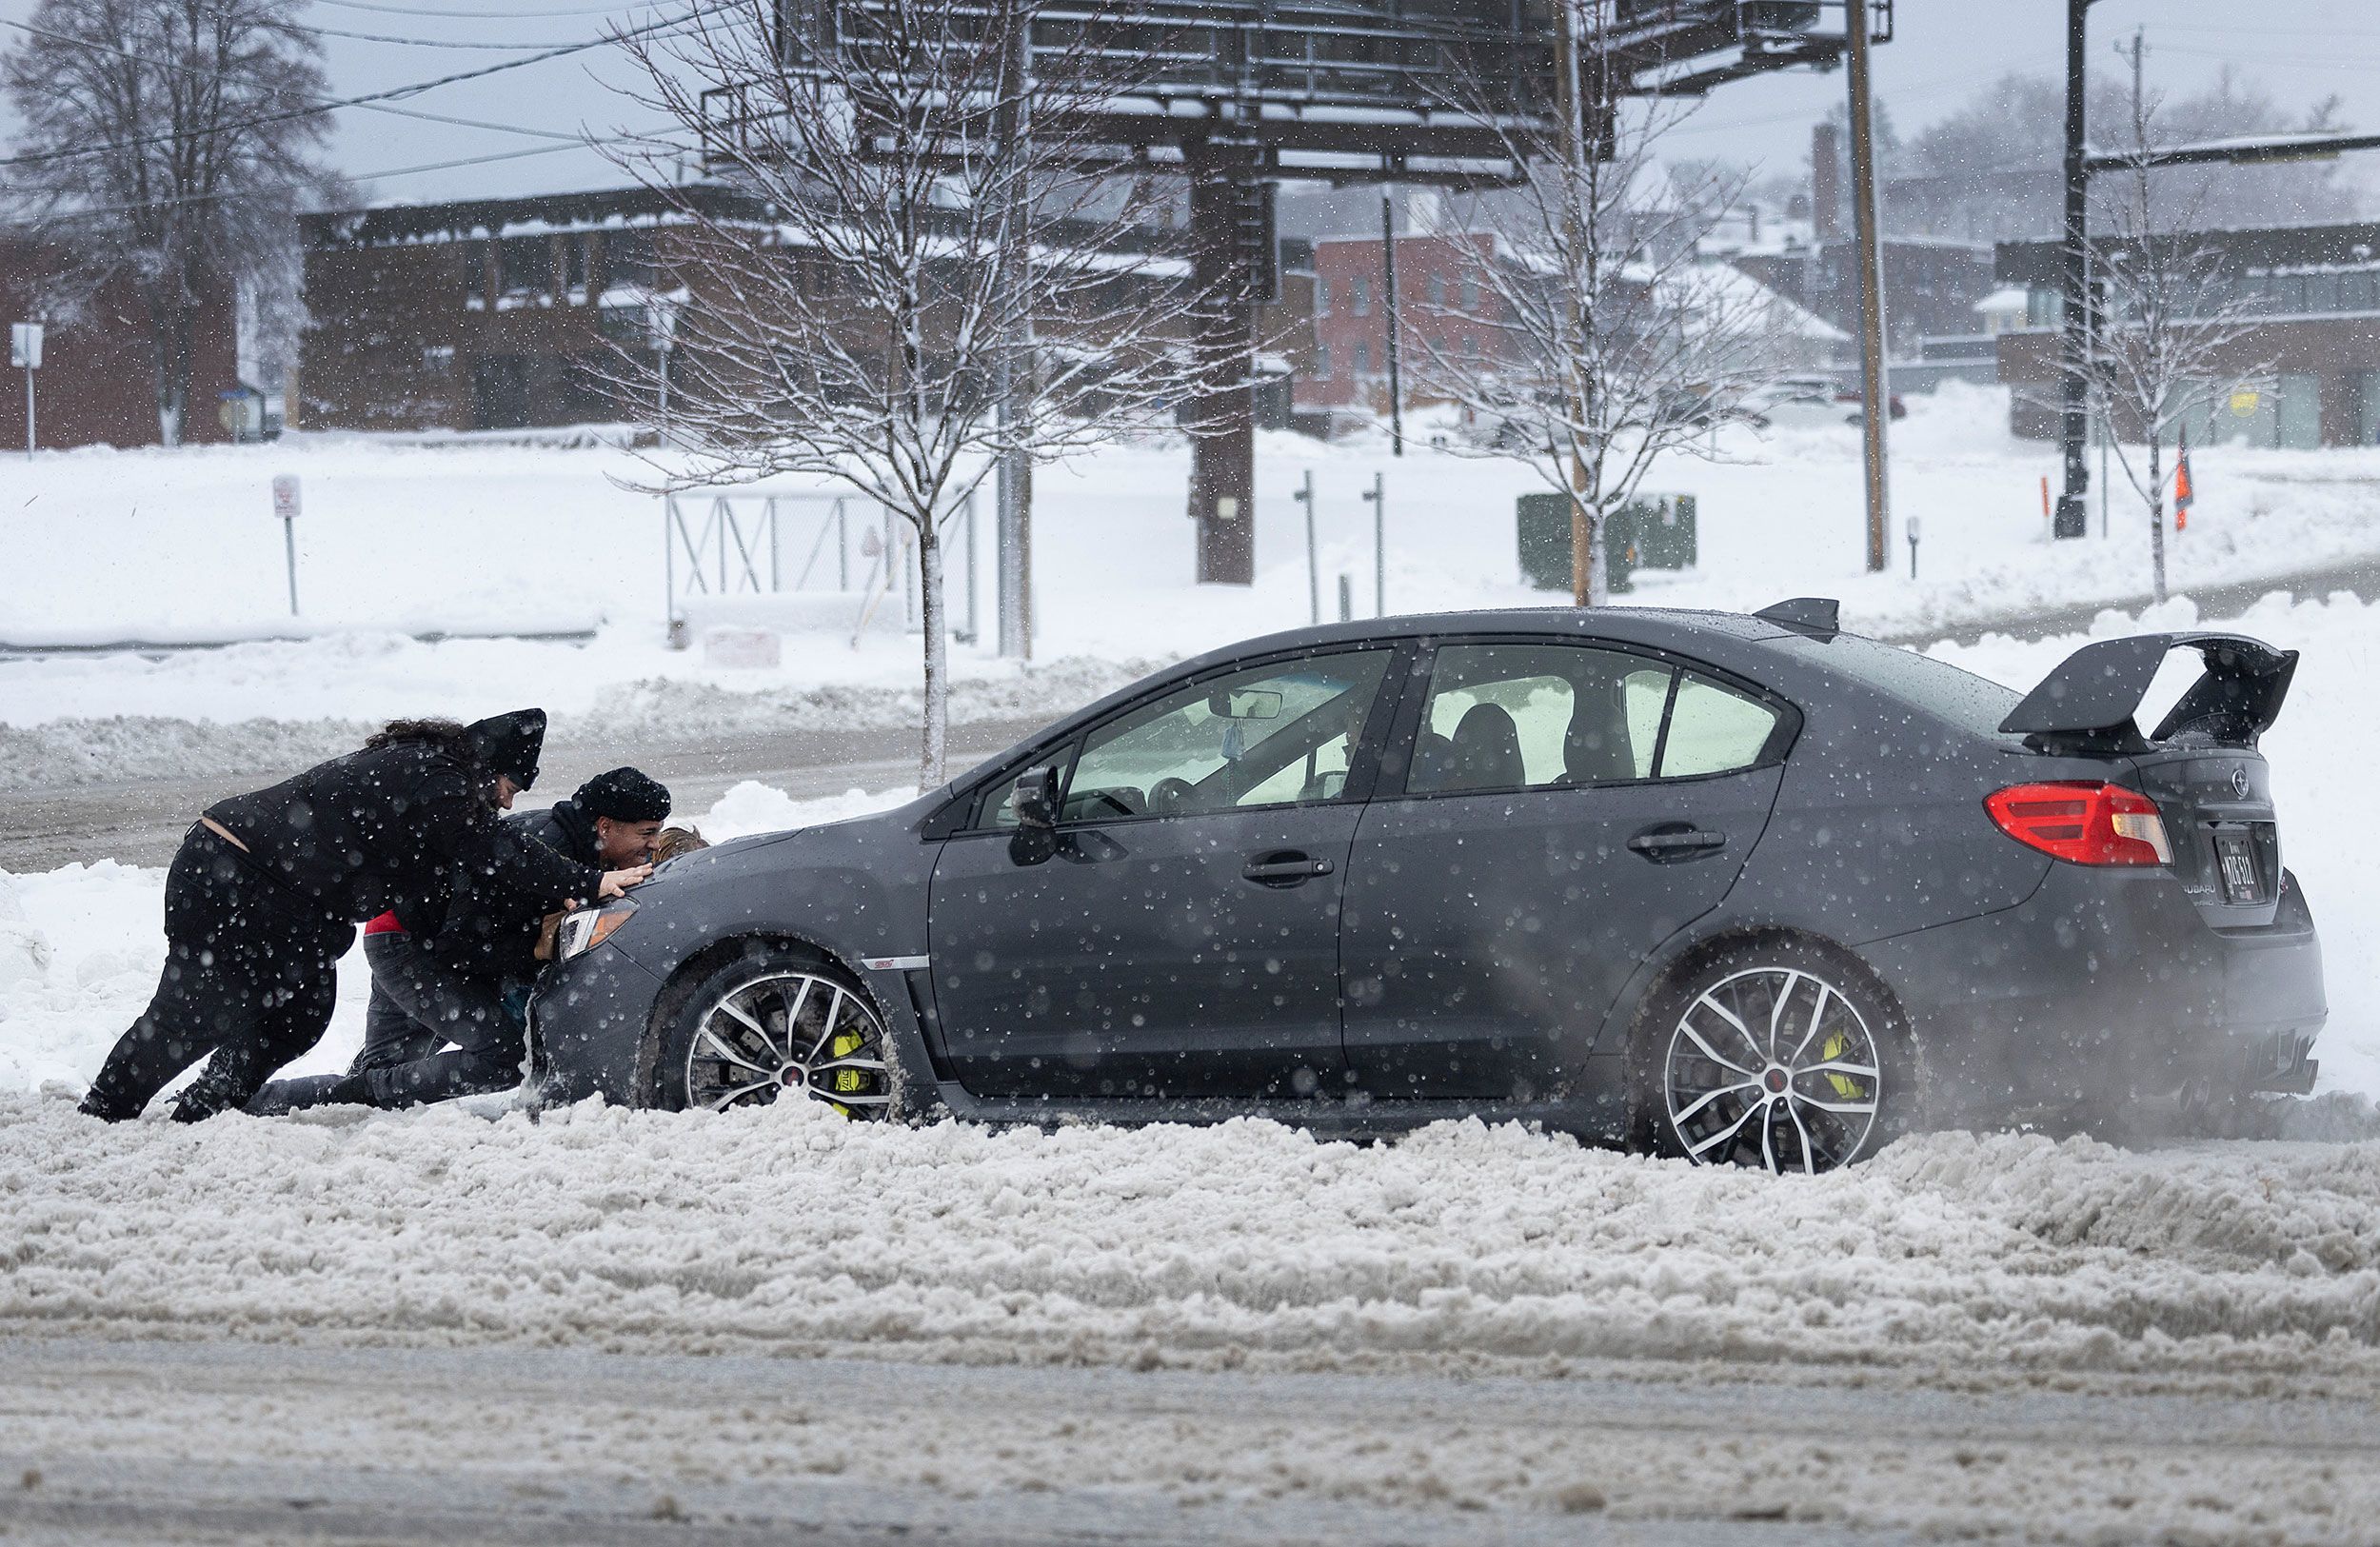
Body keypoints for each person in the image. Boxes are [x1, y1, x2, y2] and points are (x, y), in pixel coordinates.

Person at [77, 711, 650, 1123]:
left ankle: (208, 1104)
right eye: (507, 786)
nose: (506, 801)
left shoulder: (434, 777)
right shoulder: (439, 776)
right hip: (234, 873)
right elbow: (493, 849)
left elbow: (453, 869)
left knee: (301, 1015)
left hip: (285, 899)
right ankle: (103, 1115)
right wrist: (589, 881)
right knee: (196, 1009)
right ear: (487, 766)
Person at [248, 766, 673, 1114]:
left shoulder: (578, 845)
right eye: (647, 833)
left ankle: (251, 1102)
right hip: (409, 945)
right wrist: (535, 945)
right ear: (605, 826)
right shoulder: (549, 847)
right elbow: (464, 943)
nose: (654, 846)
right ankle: (265, 1099)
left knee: (381, 1078)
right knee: (503, 1056)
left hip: (407, 933)